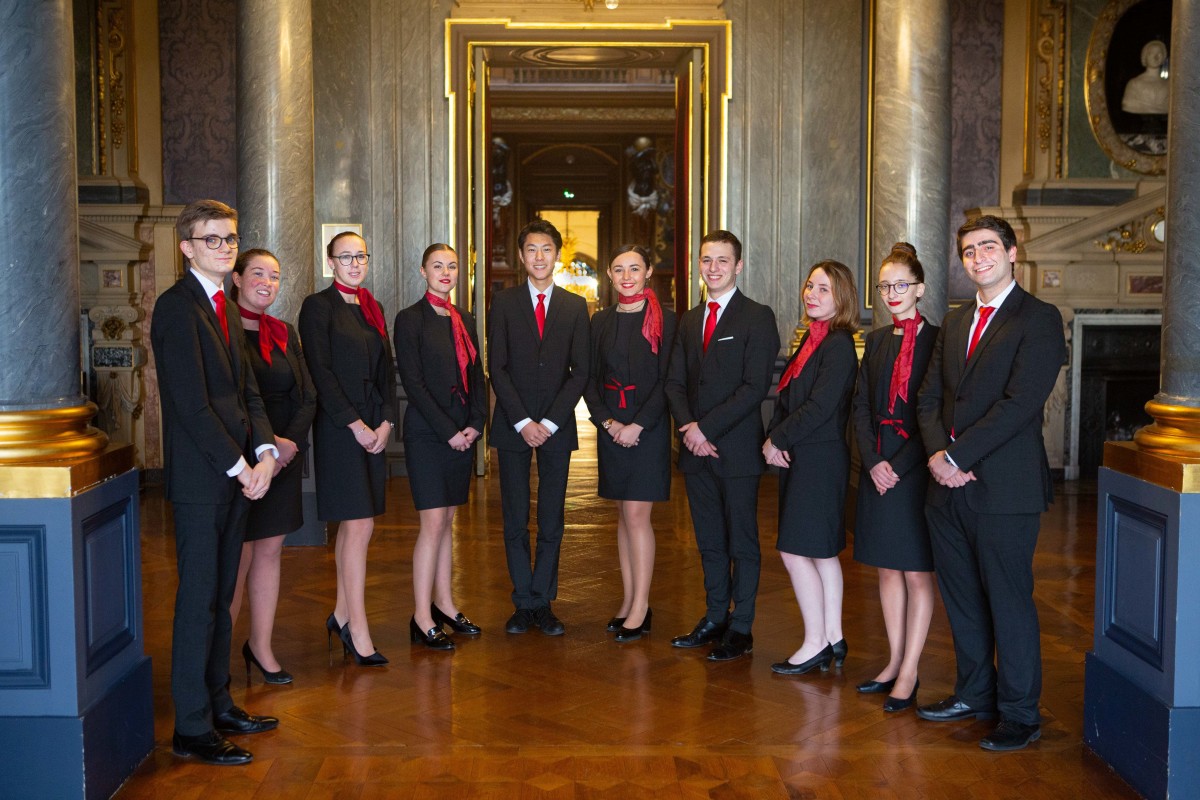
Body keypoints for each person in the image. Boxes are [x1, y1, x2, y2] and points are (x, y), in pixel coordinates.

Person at [915, 215, 1066, 752]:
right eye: (969, 252)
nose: (978, 258)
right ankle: (975, 693)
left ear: (1012, 252)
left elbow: (1020, 404)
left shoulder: (1040, 318)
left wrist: (957, 454)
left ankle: (1021, 714)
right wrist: (937, 456)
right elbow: (928, 396)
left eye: (987, 248)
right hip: (946, 487)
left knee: (1008, 600)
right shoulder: (955, 322)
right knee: (962, 598)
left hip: (1005, 489)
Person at [151, 199, 280, 766]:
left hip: (239, 476)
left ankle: (220, 703)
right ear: (186, 248)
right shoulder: (175, 309)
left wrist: (268, 452)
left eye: (230, 239)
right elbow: (192, 405)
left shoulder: (224, 305)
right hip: (205, 481)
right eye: (212, 240)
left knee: (221, 598)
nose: (225, 247)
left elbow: (248, 392)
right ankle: (192, 728)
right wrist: (241, 466)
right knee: (198, 602)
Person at [664, 230, 780, 661]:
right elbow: (674, 383)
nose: (713, 268)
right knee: (709, 539)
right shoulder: (691, 320)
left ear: (738, 266)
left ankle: (742, 625)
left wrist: (705, 430)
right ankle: (714, 615)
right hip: (695, 452)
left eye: (722, 261)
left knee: (742, 541)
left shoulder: (757, 317)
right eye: (706, 260)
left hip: (735, 451)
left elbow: (754, 388)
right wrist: (688, 429)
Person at [299, 231, 397, 666]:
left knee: (360, 527)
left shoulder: (372, 306)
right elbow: (319, 370)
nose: (355, 263)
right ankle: (358, 628)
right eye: (346, 257)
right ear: (330, 261)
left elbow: (386, 371)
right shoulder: (318, 306)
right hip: (341, 427)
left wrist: (387, 422)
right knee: (356, 526)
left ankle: (340, 615)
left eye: (361, 255)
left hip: (374, 425)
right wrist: (355, 424)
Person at [488, 219, 590, 636]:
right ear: (521, 256)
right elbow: (498, 367)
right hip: (512, 425)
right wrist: (522, 421)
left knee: (551, 519)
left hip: (556, 425)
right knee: (514, 518)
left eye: (546, 249)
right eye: (531, 249)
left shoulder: (573, 306)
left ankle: (544, 602)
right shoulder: (505, 302)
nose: (539, 257)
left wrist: (547, 421)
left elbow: (580, 371)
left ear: (557, 254)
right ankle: (522, 601)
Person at [850, 243, 938, 711]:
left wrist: (897, 466)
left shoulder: (938, 340)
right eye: (884, 286)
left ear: (919, 288)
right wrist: (873, 461)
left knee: (918, 574)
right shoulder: (878, 339)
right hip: (877, 466)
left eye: (900, 285)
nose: (891, 293)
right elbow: (861, 405)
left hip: (916, 470)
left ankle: (911, 670)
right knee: (887, 569)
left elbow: (934, 415)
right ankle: (893, 660)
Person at [764, 260, 859, 676]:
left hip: (819, 457)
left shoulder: (837, 344)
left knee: (796, 550)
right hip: (803, 454)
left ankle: (815, 642)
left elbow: (820, 407)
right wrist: (773, 436)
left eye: (823, 289)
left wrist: (777, 439)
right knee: (819, 553)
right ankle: (833, 636)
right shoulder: (811, 339)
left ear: (841, 298)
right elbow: (785, 398)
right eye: (809, 286)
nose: (812, 294)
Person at [227, 248, 316, 685]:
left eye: (275, 276)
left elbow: (308, 395)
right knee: (237, 556)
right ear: (238, 278)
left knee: (270, 552)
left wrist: (288, 446)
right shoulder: (219, 328)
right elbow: (228, 400)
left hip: (283, 459)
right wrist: (266, 446)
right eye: (258, 273)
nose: (267, 282)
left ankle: (260, 646)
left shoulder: (285, 331)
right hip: (240, 461)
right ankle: (216, 657)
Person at [393, 244, 486, 651]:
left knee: (447, 522)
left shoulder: (463, 317)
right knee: (431, 525)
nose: (445, 272)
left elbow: (477, 375)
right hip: (429, 434)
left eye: (451, 266)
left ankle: (445, 603)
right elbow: (413, 383)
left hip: (462, 433)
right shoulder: (409, 319)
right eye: (437, 266)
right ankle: (421, 615)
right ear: (422, 270)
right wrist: (449, 429)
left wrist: (475, 424)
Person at [583, 244, 677, 642]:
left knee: (638, 516)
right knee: (623, 515)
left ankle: (642, 606)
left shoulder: (668, 322)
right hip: (611, 429)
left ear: (648, 272)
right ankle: (628, 599)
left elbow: (669, 380)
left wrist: (637, 425)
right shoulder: (599, 321)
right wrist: (607, 422)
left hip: (648, 432)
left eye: (634, 268)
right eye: (618, 269)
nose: (626, 276)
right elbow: (588, 378)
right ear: (608, 274)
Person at [1121, 40, 1169, 115]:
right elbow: (1128, 104)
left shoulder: (1169, 85)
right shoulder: (1134, 84)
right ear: (1145, 57)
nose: (1155, 57)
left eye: (1159, 54)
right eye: (1151, 53)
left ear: (1163, 57)